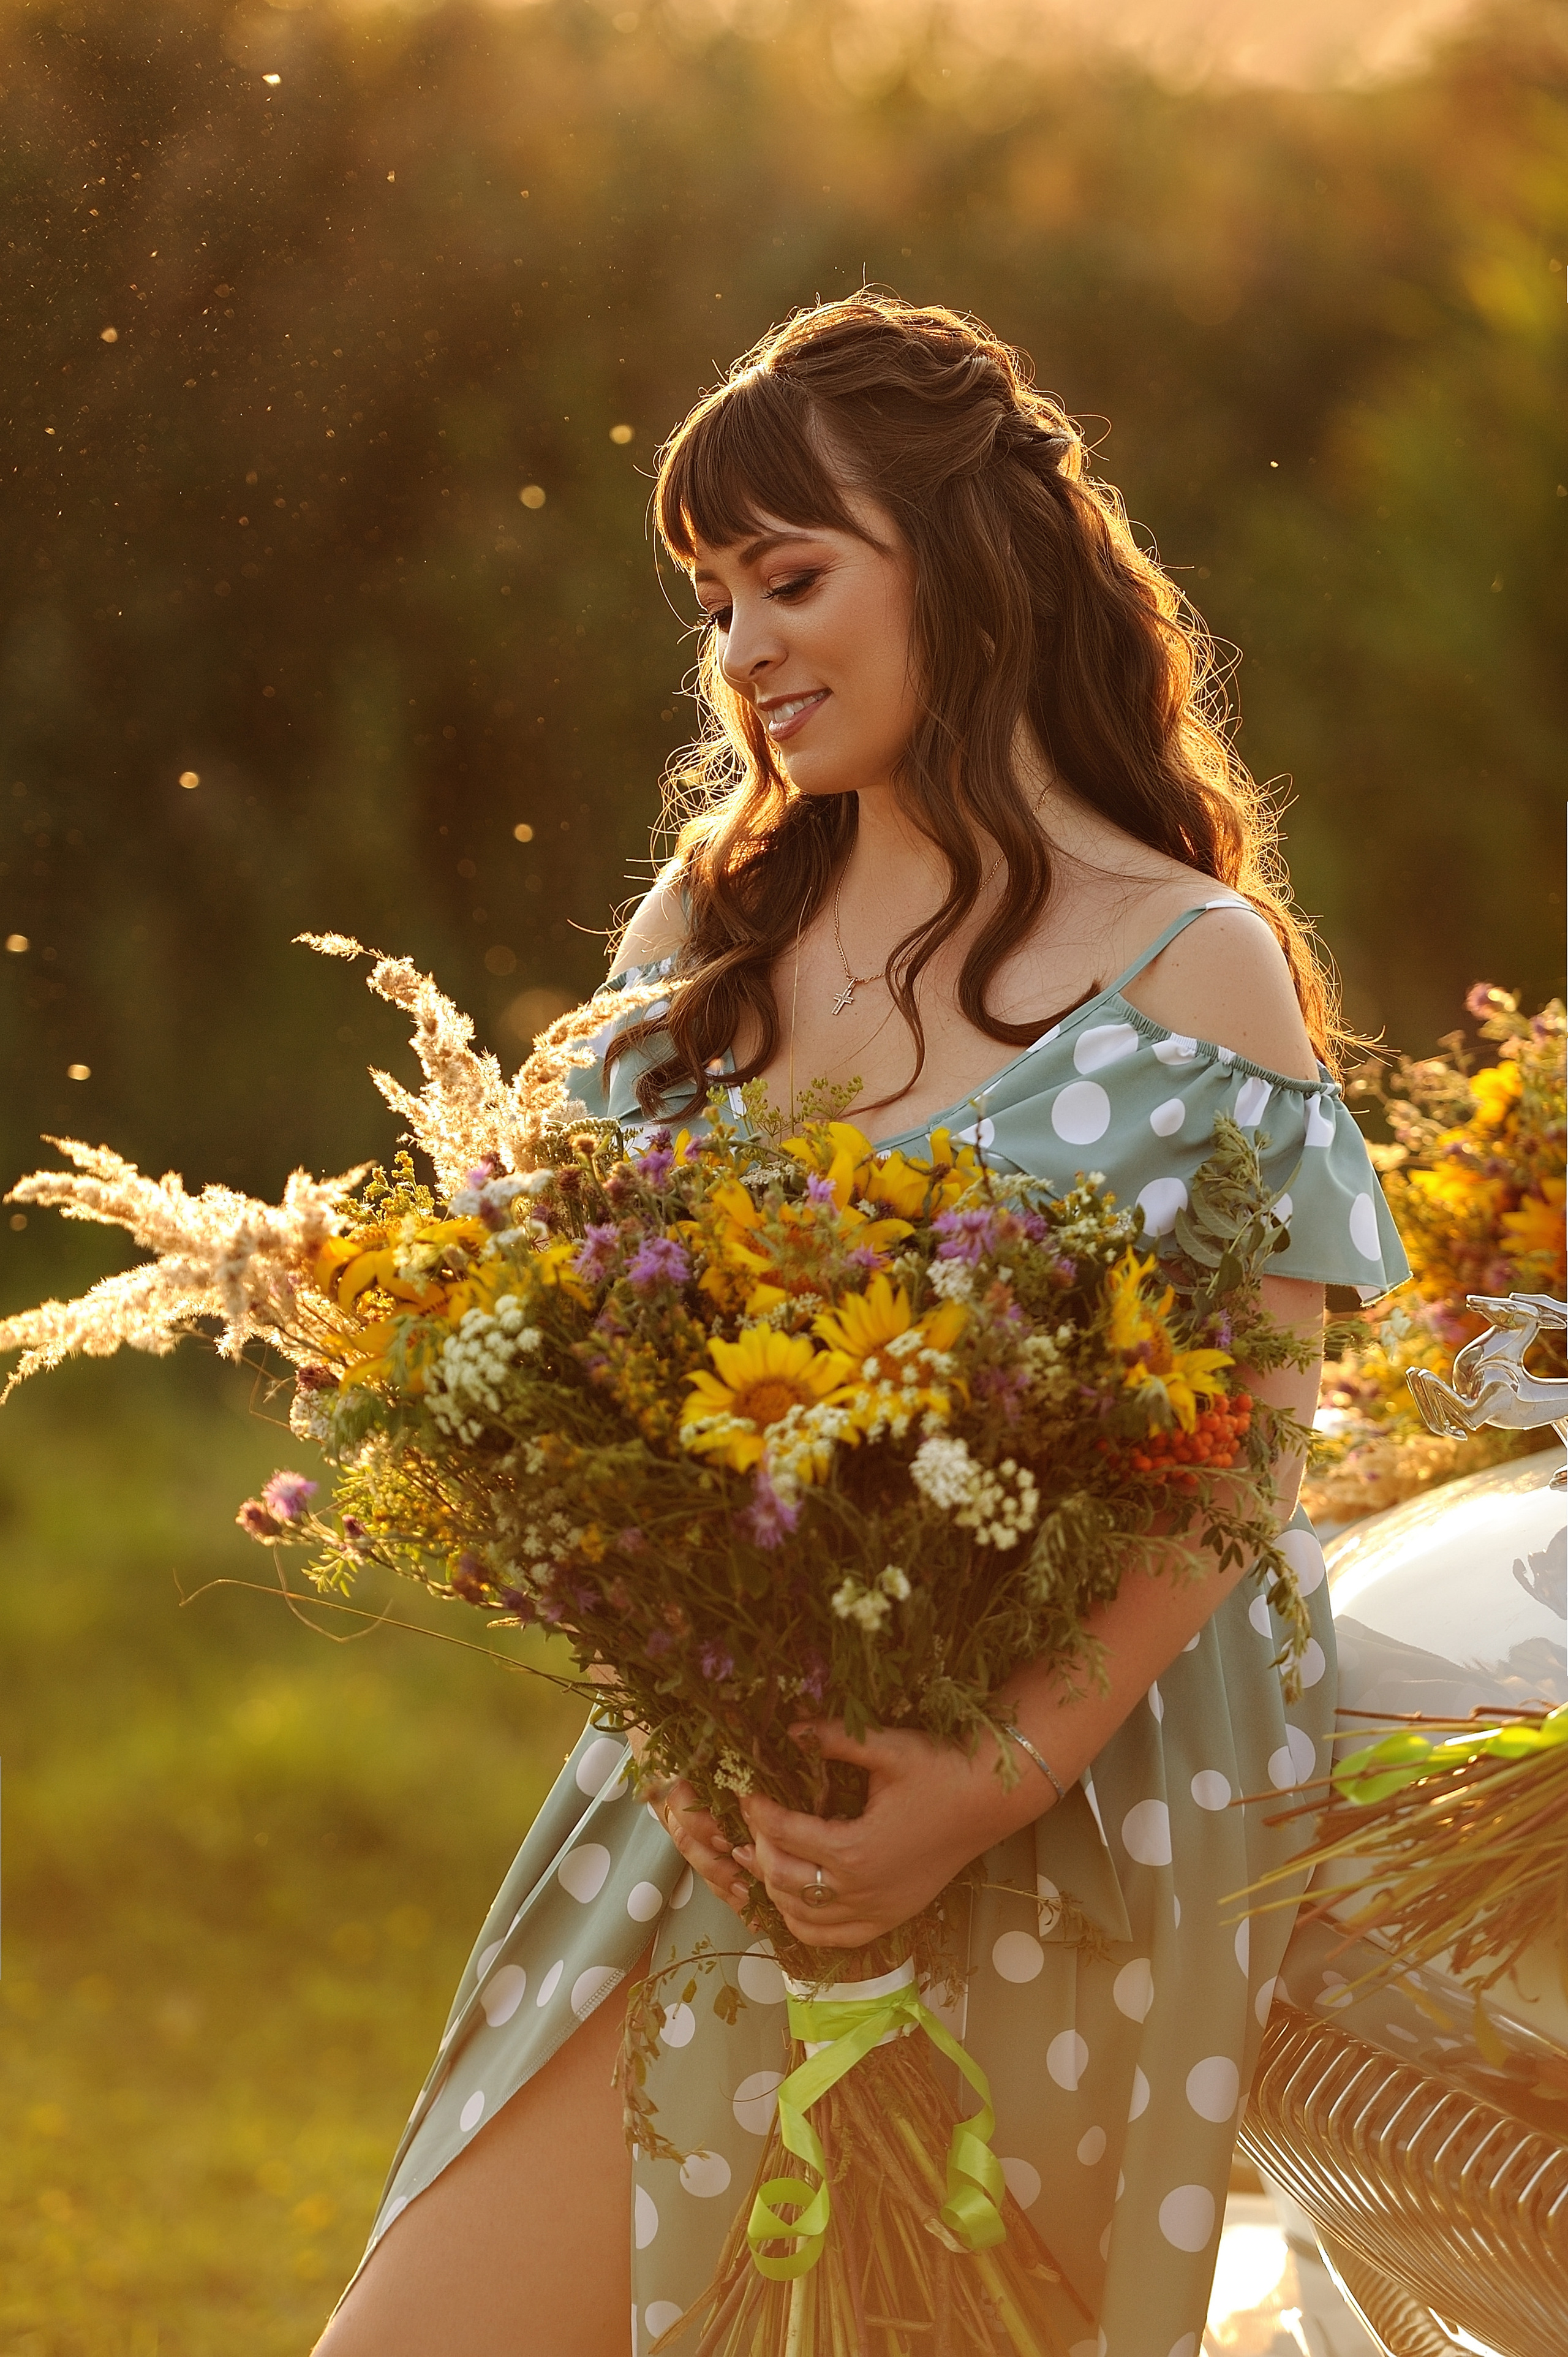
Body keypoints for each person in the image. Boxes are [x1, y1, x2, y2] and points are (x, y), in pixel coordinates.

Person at [314, 294, 1408, 2357]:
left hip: (1074, 1802)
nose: (742, 652)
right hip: (712, 1807)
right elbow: (586, 1396)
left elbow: (1253, 1444)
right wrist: (698, 1742)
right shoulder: (701, 943)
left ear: (969, 565)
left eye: (792, 577)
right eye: (712, 599)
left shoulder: (1189, 961)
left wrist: (985, 1774)